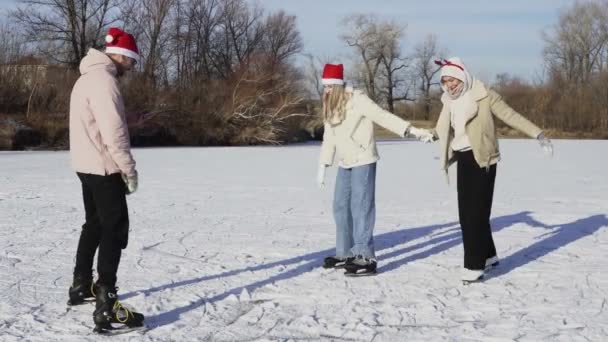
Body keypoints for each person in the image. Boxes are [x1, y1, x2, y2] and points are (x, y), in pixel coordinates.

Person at [431, 57, 553, 283]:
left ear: (462, 76)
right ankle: (488, 256)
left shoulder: (484, 94)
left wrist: (538, 133)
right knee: (468, 213)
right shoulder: (448, 100)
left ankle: (474, 266)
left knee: (475, 215)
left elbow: (510, 115)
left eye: (453, 80)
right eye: (445, 81)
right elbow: (443, 127)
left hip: (484, 158)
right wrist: (431, 135)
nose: (449, 85)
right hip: (463, 158)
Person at [317, 63, 434, 276]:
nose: (326, 91)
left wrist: (412, 131)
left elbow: (383, 117)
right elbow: (329, 137)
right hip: (345, 161)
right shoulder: (330, 106)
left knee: (361, 207)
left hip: (363, 158)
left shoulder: (357, 100)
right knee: (340, 206)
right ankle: (344, 252)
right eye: (324, 87)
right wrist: (323, 164)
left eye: (329, 87)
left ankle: (365, 256)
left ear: (338, 86)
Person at [68, 27, 144, 331]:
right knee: (115, 229)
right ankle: (106, 303)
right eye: (132, 61)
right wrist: (129, 169)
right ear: (122, 56)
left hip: (85, 165)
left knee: (95, 224)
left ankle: (81, 285)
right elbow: (115, 134)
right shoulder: (105, 81)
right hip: (104, 167)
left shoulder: (86, 77)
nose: (132, 67)